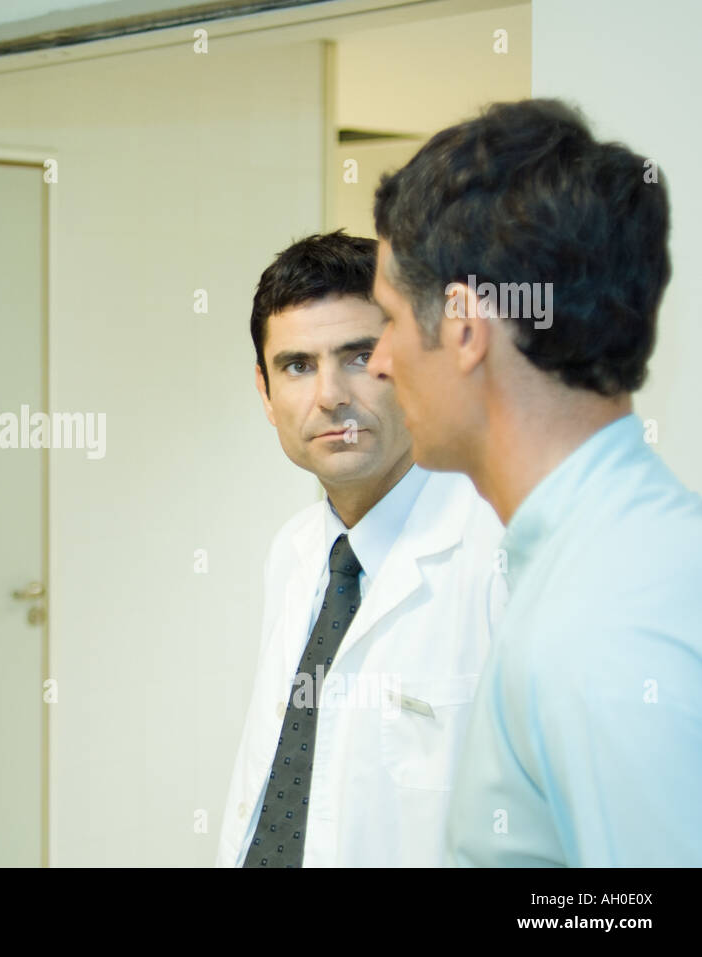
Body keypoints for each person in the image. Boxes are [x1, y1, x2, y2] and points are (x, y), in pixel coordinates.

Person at [368, 97, 702, 865]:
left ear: (463, 329)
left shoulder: (603, 625)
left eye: (388, 318)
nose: (381, 361)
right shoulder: (635, 554)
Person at [217, 230, 505, 867]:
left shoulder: (503, 555)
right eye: (297, 366)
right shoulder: (295, 553)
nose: (330, 396)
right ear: (265, 394)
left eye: (359, 357)